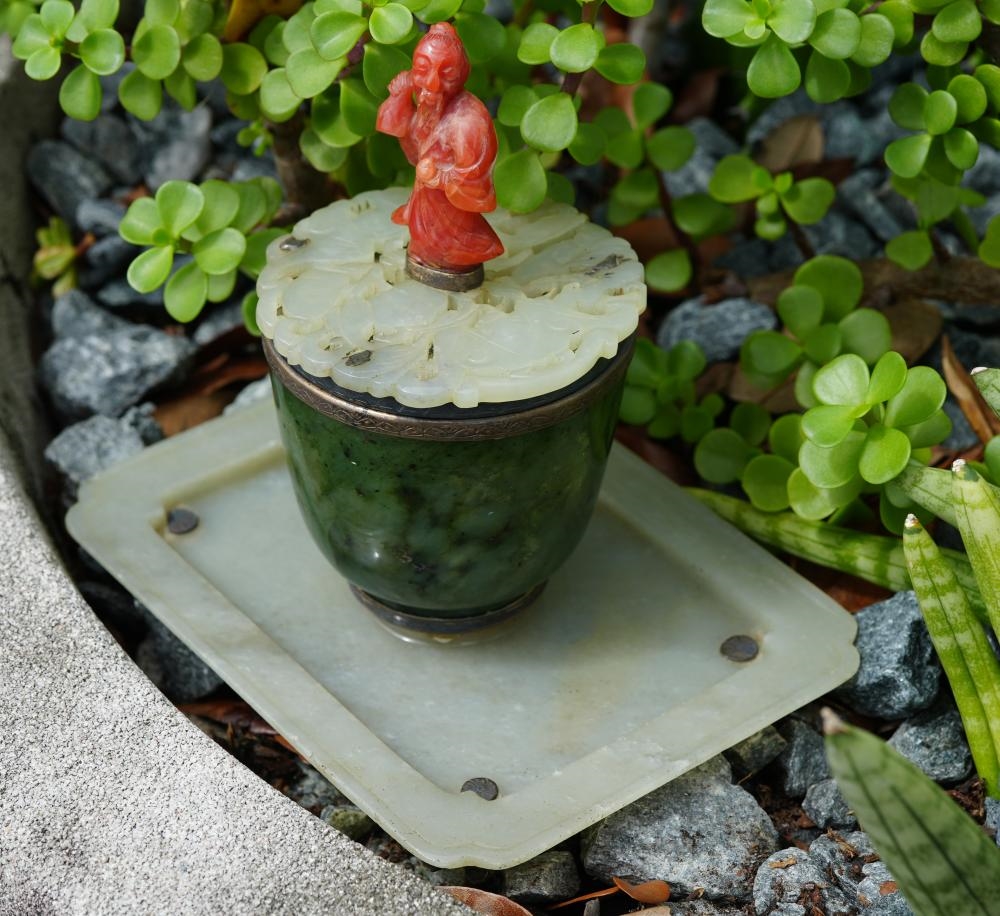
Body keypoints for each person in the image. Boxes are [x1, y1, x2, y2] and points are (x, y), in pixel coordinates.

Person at [375, 23, 504, 272]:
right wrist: (399, 97)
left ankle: (451, 257)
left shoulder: (469, 120)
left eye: (447, 73)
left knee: (448, 246)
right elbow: (410, 142)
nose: (432, 84)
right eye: (422, 69)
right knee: (423, 243)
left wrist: (439, 176)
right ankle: (426, 252)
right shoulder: (429, 108)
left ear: (462, 75)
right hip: (424, 204)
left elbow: (474, 178)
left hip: (452, 218)